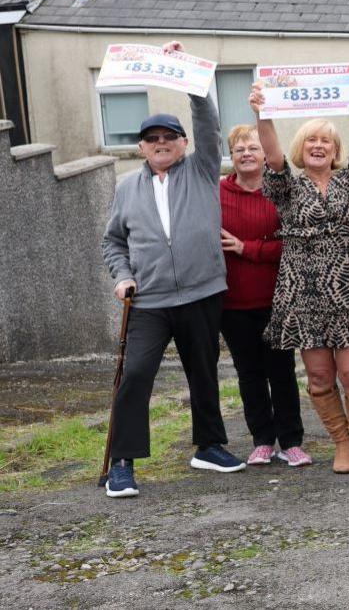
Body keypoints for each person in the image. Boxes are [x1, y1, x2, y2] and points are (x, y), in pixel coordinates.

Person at [101, 42, 243, 498]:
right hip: (150, 301)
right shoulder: (127, 189)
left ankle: (209, 446)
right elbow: (113, 241)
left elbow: (208, 121)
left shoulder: (202, 169)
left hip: (202, 293)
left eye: (170, 137)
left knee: (203, 373)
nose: (162, 144)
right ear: (141, 147)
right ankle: (123, 462)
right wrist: (122, 276)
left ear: (183, 143)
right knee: (136, 374)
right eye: (153, 139)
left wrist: (189, 75)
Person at [249, 84, 349, 476]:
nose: (319, 145)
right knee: (318, 375)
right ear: (302, 147)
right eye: (312, 139)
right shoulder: (286, 186)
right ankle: (341, 442)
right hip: (303, 293)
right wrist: (263, 114)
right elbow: (273, 154)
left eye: (326, 140)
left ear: (335, 148)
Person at [219, 124, 309, 468]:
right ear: (232, 156)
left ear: (265, 153)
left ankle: (291, 441)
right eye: (239, 149)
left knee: (282, 372)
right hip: (233, 301)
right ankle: (262, 441)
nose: (246, 154)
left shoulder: (283, 192)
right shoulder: (218, 193)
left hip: (278, 300)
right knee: (249, 374)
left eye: (253, 148)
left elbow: (295, 242)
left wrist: (247, 248)